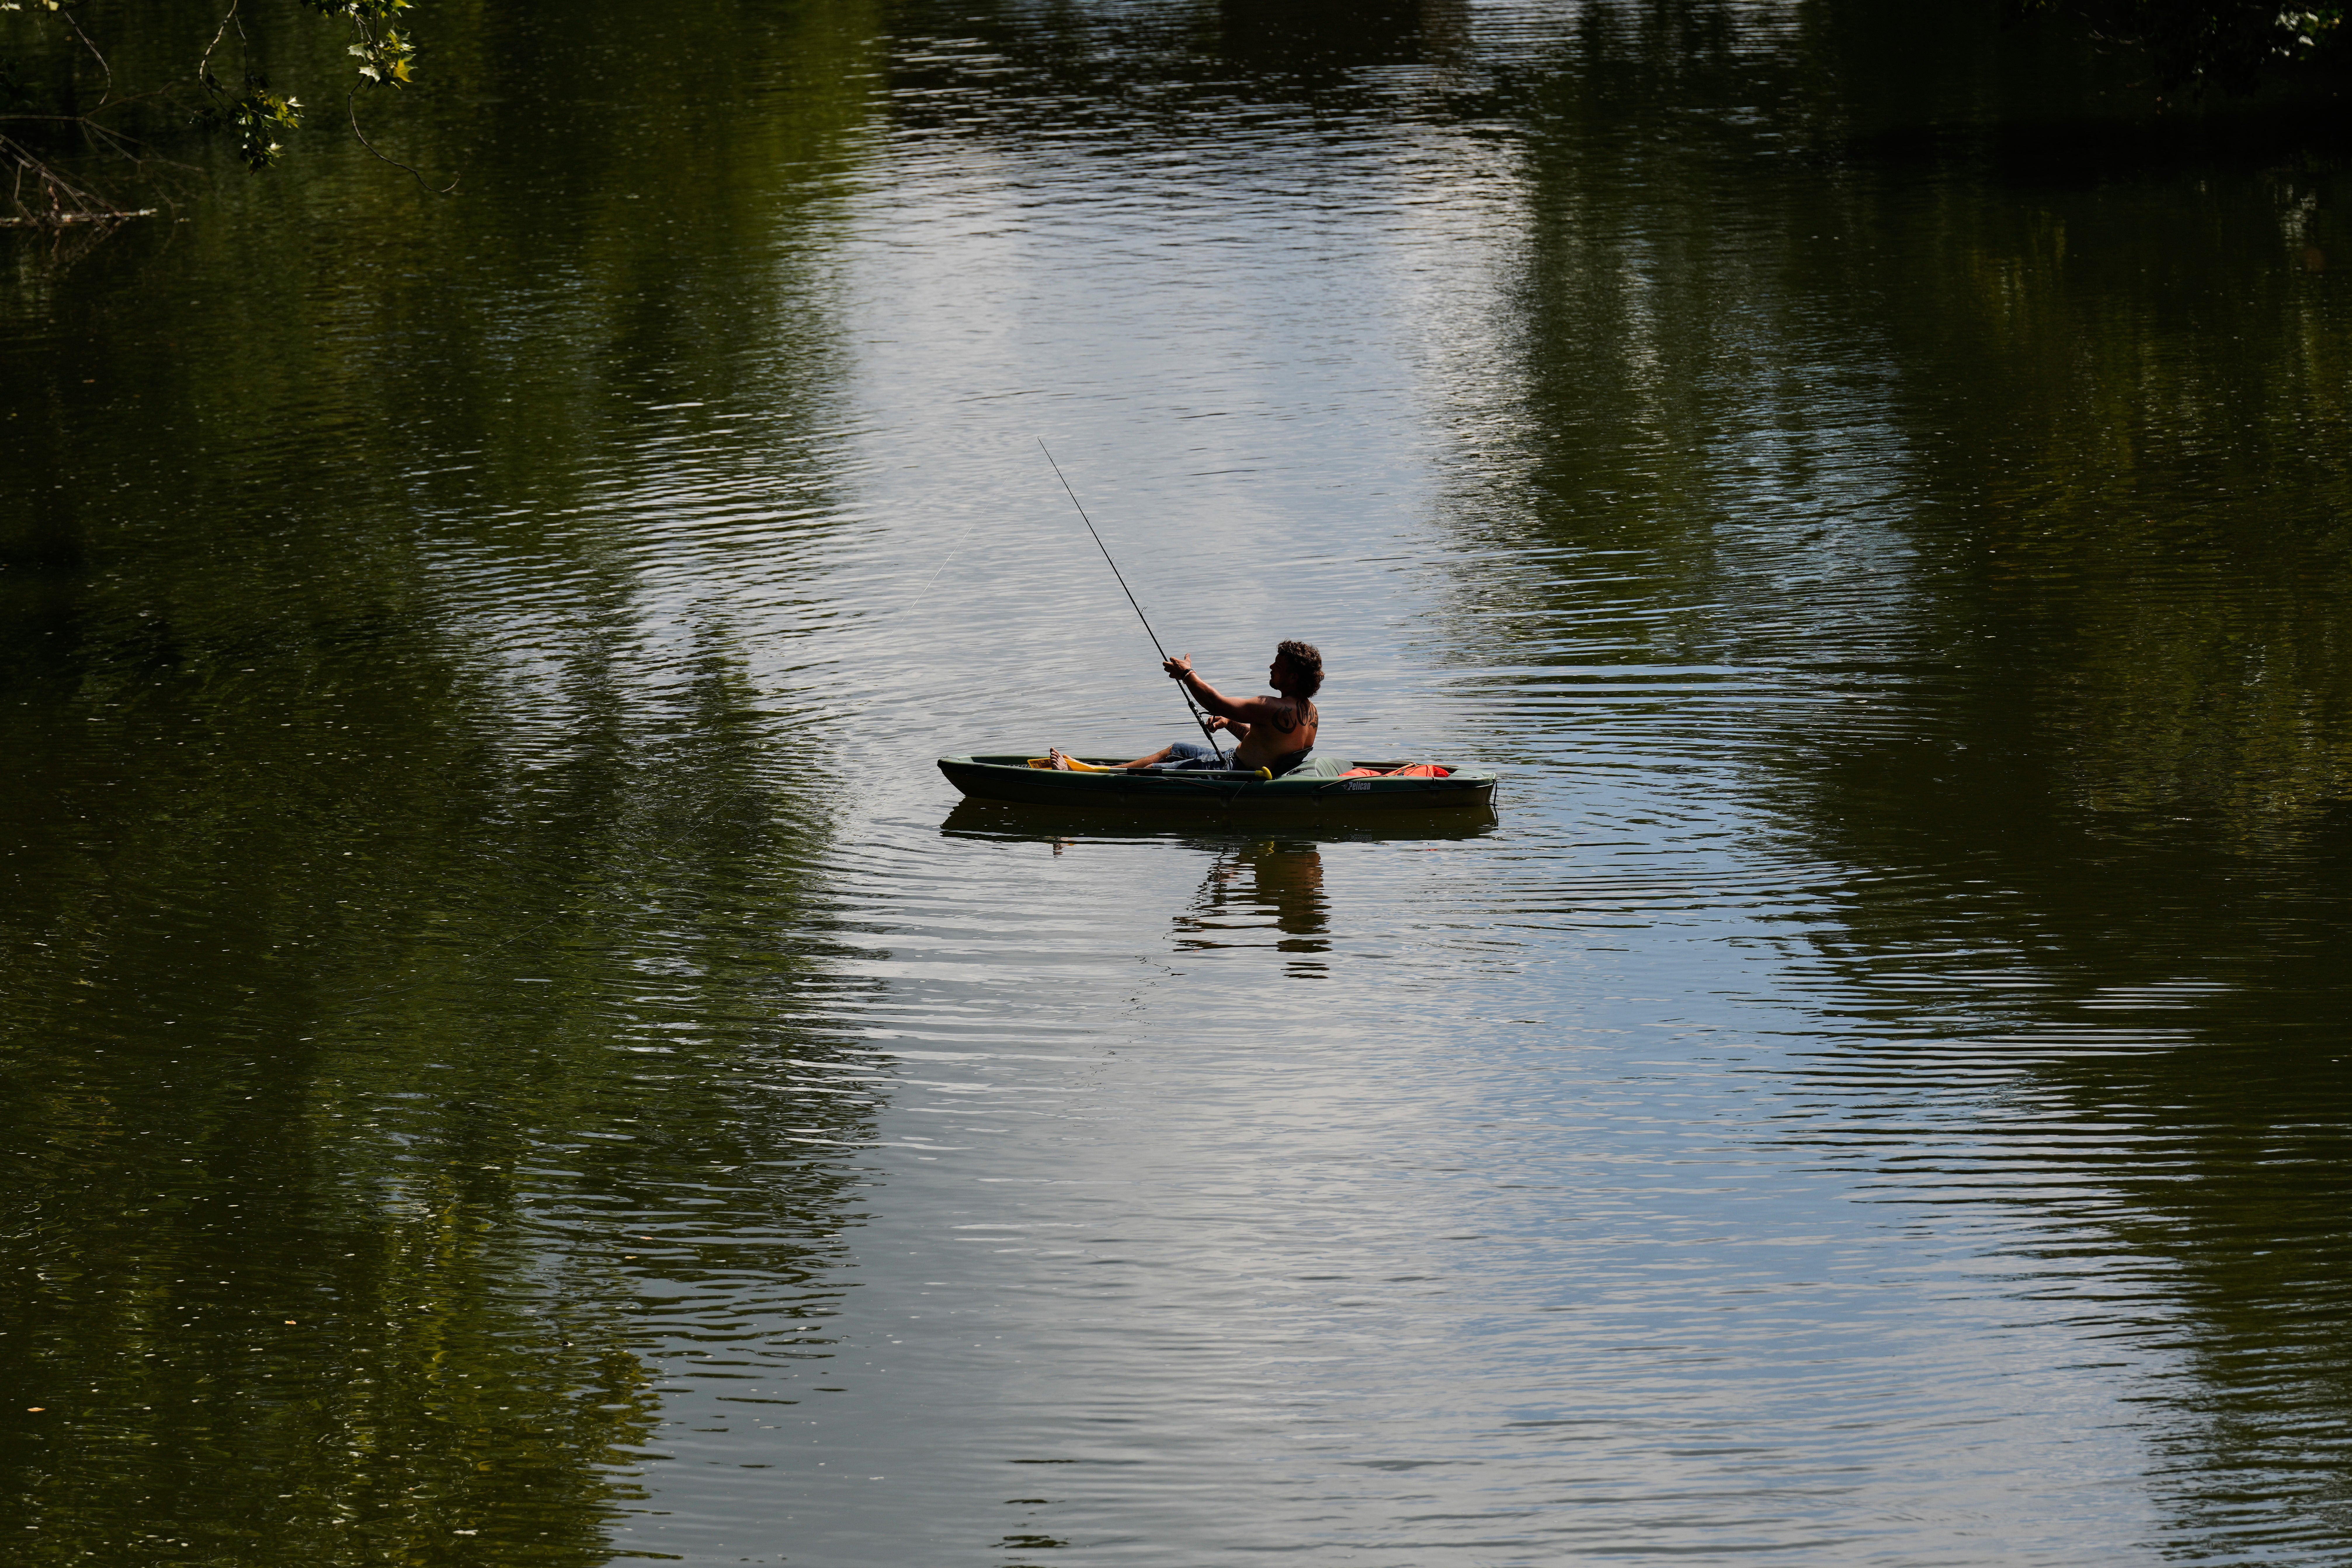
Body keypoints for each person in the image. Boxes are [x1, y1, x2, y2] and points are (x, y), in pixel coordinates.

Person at [1054, 640, 1323, 776]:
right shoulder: (1312, 714)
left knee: (1153, 773)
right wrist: (1229, 723)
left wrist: (1188, 674)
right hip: (1238, 762)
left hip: (1234, 774)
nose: (1271, 667)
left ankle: (1088, 778)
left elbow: (1216, 703)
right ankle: (1103, 770)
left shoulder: (1272, 706)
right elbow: (1267, 745)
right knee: (1177, 749)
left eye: (1279, 665)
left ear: (1293, 677)